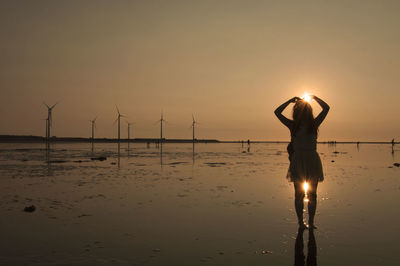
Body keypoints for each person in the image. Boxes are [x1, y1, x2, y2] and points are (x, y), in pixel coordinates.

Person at [274, 95, 330, 229]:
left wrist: (315, 97)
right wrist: (289, 100)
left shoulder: (314, 124)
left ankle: (310, 222)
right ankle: (301, 223)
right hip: (299, 159)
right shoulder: (293, 125)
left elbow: (326, 108)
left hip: (311, 159)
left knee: (312, 194)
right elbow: (277, 112)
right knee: (299, 194)